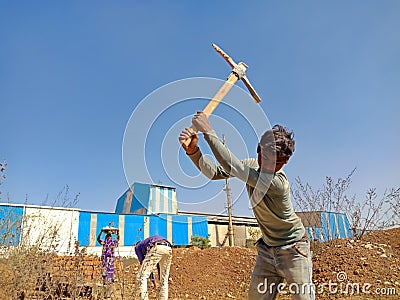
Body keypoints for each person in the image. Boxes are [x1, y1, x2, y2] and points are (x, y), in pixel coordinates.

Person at [179, 111, 314, 300]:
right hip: (267, 251)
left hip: (294, 250)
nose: (270, 165)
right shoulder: (251, 166)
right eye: (265, 158)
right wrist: (193, 151)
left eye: (278, 162)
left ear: (285, 162)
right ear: (258, 151)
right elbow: (215, 172)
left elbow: (232, 165)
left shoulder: (277, 184)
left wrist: (208, 131)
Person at [135, 235, 172, 300]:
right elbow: (157, 266)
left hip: (156, 247)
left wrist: (153, 281)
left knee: (141, 277)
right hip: (168, 248)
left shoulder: (138, 246)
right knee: (163, 279)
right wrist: (154, 280)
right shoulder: (146, 243)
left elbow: (143, 264)